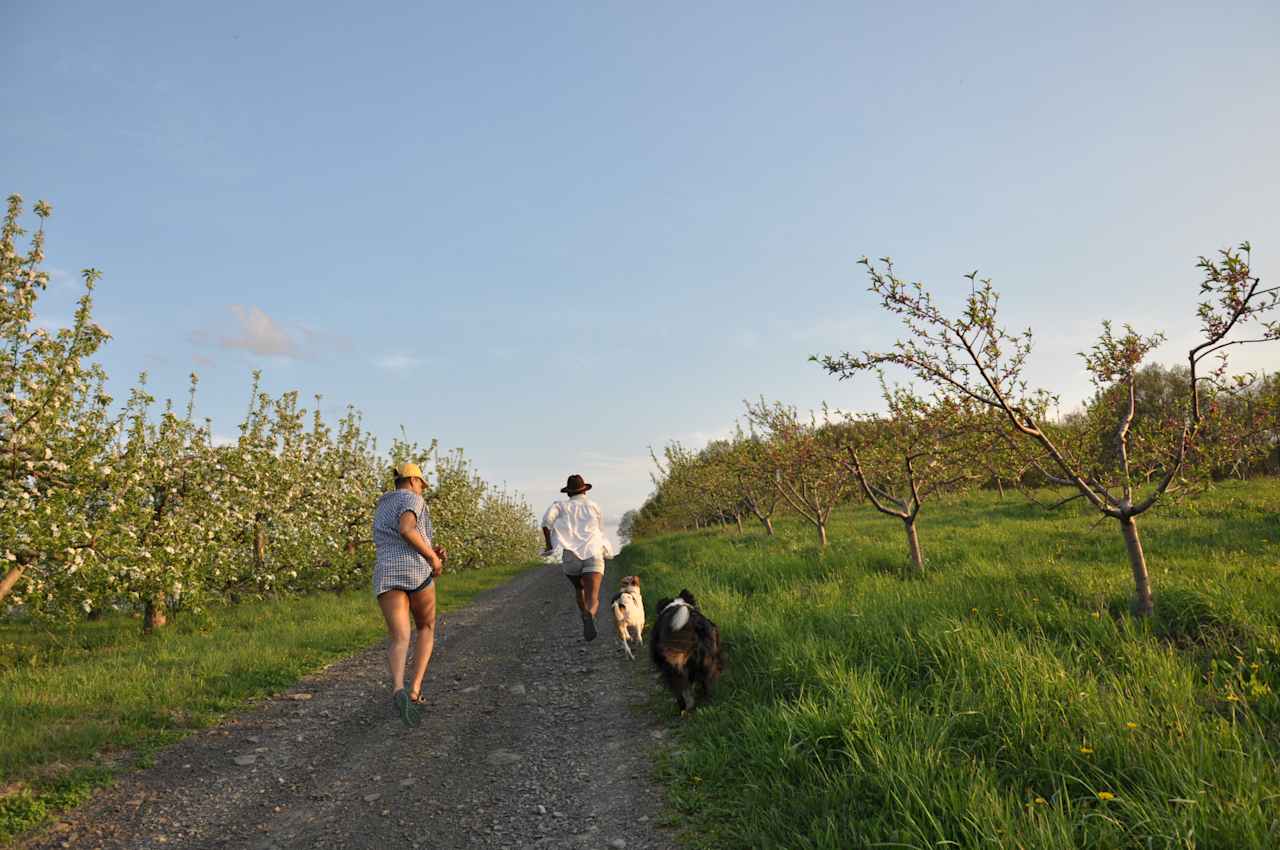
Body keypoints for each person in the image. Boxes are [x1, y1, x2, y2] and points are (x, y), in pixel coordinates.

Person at [372, 462, 446, 727]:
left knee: (399, 637)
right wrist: (432, 559)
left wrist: (430, 548)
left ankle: (397, 688)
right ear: (414, 481)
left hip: (387, 573)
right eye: (422, 485)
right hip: (415, 572)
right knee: (426, 627)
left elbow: (398, 535)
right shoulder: (411, 498)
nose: (422, 490)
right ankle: (414, 690)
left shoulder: (382, 505)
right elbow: (406, 529)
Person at [541, 474, 611, 641]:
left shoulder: (559, 506)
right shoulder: (594, 506)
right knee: (592, 596)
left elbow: (545, 523)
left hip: (571, 556)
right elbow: (600, 531)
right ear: (584, 490)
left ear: (568, 493)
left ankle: (583, 614)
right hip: (593, 551)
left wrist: (549, 545)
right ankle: (590, 614)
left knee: (579, 588)